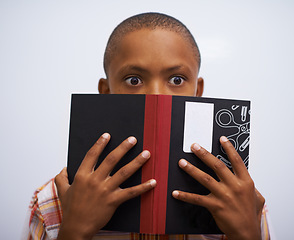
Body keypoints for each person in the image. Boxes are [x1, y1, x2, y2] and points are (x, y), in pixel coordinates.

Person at [25, 12, 270, 240]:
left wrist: (248, 233)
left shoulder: (240, 200)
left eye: (176, 79)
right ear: (106, 92)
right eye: (134, 80)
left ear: (198, 92)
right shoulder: (55, 200)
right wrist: (73, 231)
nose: (156, 97)